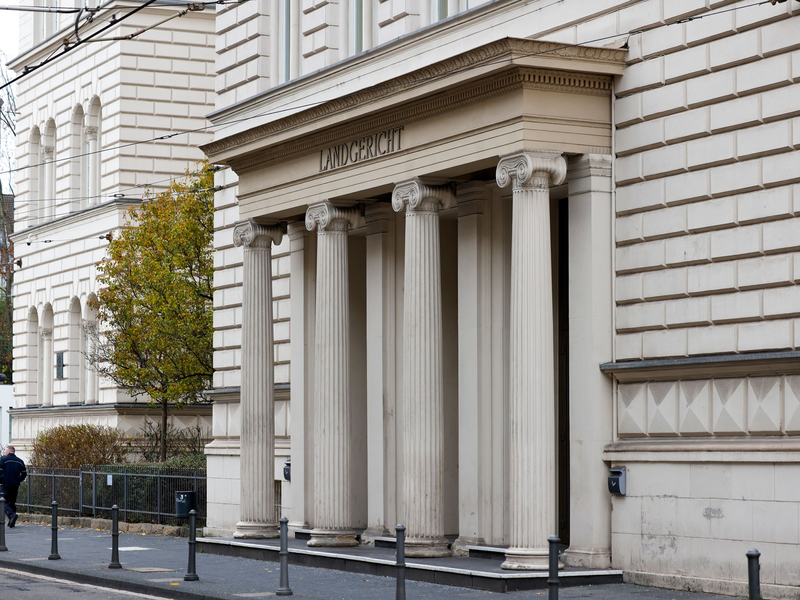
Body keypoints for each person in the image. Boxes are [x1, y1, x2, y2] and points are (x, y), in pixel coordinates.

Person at [0, 445, 27, 528]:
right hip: (15, 484)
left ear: (8, 452)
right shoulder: (20, 461)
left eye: (5, 452)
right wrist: (18, 479)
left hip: (6, 484)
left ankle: (12, 515)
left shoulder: (3, 459)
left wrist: (2, 480)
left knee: (2, 501)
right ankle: (12, 521)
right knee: (12, 502)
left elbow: (0, 471)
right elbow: (24, 473)